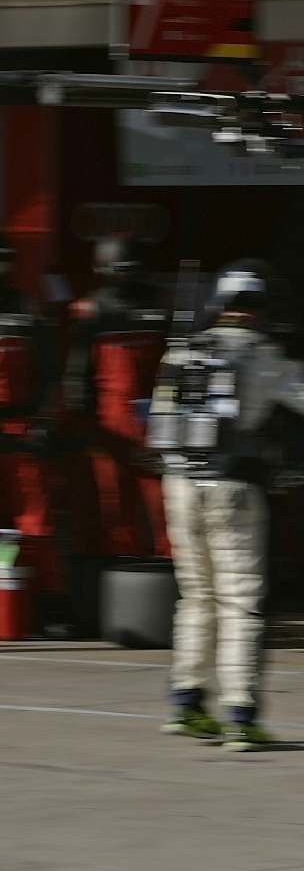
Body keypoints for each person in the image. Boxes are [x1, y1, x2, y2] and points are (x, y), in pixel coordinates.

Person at [149, 262, 304, 750]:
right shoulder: (264, 354)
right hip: (233, 490)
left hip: (178, 483)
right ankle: (241, 716)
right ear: (260, 309)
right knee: (240, 601)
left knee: (196, 596)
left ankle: (187, 703)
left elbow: (156, 418)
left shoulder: (183, 349)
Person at [65, 236, 171, 560]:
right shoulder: (91, 310)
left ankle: (159, 567)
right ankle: (123, 568)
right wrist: (83, 424)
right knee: (117, 506)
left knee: (160, 506)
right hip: (115, 424)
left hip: (152, 421)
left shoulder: (160, 305)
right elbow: (76, 376)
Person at [0, 236, 60, 625]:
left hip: (21, 428)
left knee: (36, 520)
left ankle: (48, 607)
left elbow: (52, 372)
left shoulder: (27, 307)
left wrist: (43, 422)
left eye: (6, 260)